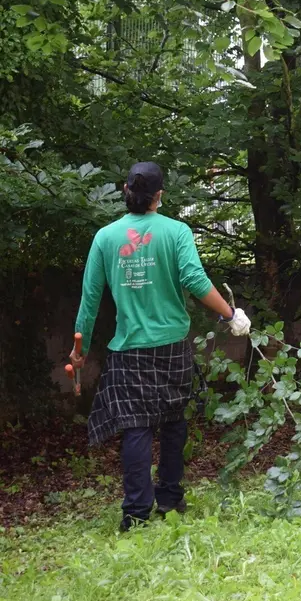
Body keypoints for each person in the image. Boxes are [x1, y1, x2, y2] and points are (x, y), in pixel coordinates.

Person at [69, 162, 252, 531]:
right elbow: (195, 280)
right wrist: (230, 314)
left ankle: (136, 515)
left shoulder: (105, 237)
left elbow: (90, 299)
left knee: (136, 428)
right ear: (159, 196)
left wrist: (80, 349)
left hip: (129, 350)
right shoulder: (176, 231)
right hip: (171, 347)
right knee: (172, 421)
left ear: (125, 191)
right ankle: (169, 498)